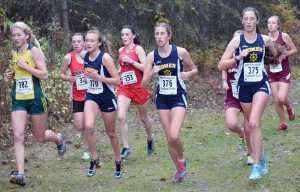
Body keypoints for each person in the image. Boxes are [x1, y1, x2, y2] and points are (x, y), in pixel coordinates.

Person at [218, 7, 278, 180]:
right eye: (246, 19)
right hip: (243, 87)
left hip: (260, 85)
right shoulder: (237, 42)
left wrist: (274, 55)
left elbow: (275, 53)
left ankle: (257, 166)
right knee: (251, 127)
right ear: (242, 21)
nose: (249, 21)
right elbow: (221, 65)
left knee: (253, 123)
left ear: (257, 21)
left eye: (252, 18)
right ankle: (262, 155)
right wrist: (238, 57)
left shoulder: (265, 39)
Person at [5, 21, 66, 186]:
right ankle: (20, 174)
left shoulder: (34, 51)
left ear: (26, 36)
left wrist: (26, 67)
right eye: (13, 35)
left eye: (19, 35)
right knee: (18, 135)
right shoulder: (14, 52)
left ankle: (59, 139)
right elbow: (17, 72)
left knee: (39, 137)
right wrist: (11, 75)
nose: (16, 38)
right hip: (18, 98)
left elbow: (44, 75)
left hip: (36, 98)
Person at [142, 22, 198, 183]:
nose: (159, 37)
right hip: (162, 99)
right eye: (157, 34)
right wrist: (152, 73)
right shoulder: (151, 56)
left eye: (162, 34)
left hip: (178, 97)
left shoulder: (180, 52)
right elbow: (143, 84)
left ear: (169, 36)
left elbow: (195, 69)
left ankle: (181, 159)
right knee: (169, 138)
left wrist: (188, 74)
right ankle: (180, 170)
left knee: (174, 135)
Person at [83, 29, 122, 178]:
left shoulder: (105, 58)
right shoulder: (85, 56)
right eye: (87, 40)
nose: (88, 43)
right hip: (92, 95)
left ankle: (118, 160)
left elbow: (117, 81)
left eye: (92, 40)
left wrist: (99, 77)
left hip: (107, 96)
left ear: (99, 43)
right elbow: (87, 75)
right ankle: (94, 158)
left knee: (111, 133)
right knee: (88, 127)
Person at [117, 25, 154, 159]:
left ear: (133, 36)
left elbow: (146, 68)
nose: (124, 37)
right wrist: (113, 75)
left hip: (139, 87)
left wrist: (132, 61)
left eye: (127, 35)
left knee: (143, 118)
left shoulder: (138, 49)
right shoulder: (120, 50)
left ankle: (150, 138)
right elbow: (120, 69)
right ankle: (126, 148)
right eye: (122, 35)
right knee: (121, 117)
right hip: (124, 88)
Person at [221, 30, 253, 165]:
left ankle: (251, 154)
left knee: (249, 126)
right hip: (233, 97)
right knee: (231, 123)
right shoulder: (230, 57)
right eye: (234, 40)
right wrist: (223, 80)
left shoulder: (249, 56)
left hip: (247, 95)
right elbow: (222, 67)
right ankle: (241, 134)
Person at [60, 33, 90, 160]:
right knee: (79, 126)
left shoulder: (90, 55)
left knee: (89, 125)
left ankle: (88, 149)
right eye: (74, 42)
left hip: (91, 95)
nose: (76, 44)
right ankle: (88, 142)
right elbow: (61, 74)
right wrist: (69, 78)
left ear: (84, 42)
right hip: (77, 96)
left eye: (79, 41)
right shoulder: (68, 57)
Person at [267, 15, 297, 131]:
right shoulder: (265, 39)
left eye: (273, 23)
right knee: (276, 100)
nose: (271, 25)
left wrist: (284, 54)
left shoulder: (284, 36)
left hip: (284, 71)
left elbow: (294, 49)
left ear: (278, 25)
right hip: (272, 72)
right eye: (269, 23)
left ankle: (289, 107)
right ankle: (283, 123)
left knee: (282, 98)